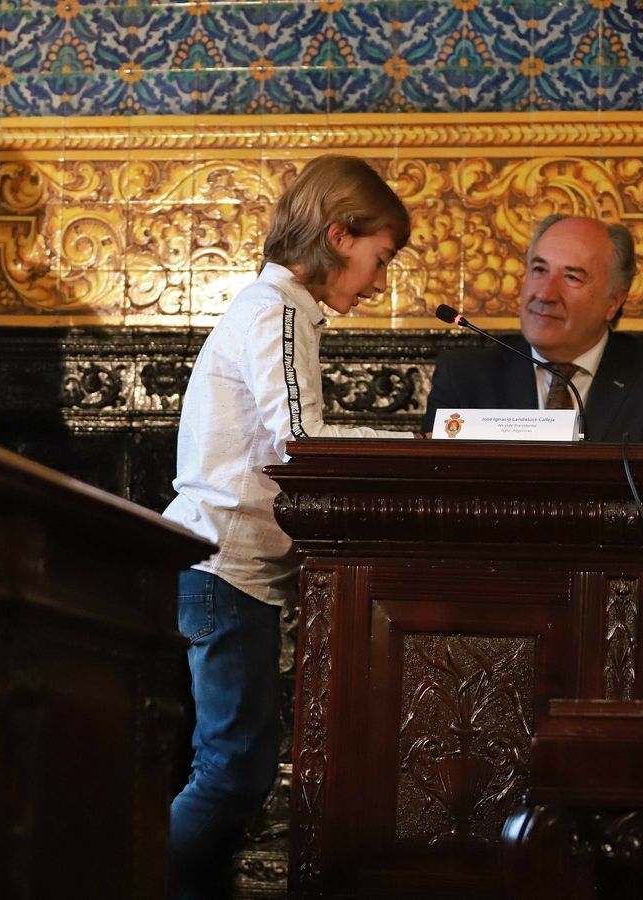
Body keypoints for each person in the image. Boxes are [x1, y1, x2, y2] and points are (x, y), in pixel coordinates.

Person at [162, 155, 417, 899]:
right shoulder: (275, 310)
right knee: (231, 774)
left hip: (229, 573)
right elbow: (300, 443)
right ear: (338, 236)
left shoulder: (282, 309)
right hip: (224, 570)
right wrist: (417, 447)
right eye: (379, 259)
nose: (377, 283)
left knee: (232, 770)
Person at [423, 215, 643, 442]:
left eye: (572, 277)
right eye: (539, 270)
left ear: (614, 301)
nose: (545, 294)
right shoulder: (464, 378)